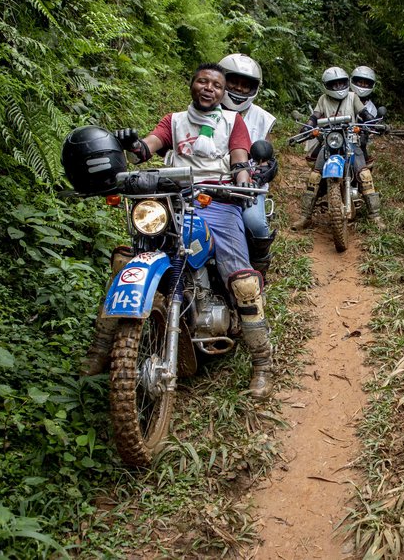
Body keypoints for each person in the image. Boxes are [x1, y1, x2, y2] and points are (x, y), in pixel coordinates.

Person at [82, 63, 274, 399]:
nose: (208, 88)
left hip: (219, 199)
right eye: (202, 81)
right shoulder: (174, 121)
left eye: (216, 84)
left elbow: (240, 159)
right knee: (125, 262)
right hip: (171, 199)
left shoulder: (233, 121)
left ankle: (262, 362)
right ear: (192, 84)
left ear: (222, 91)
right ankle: (100, 348)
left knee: (243, 282)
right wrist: (131, 143)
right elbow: (148, 148)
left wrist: (245, 182)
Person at [297, 66, 383, 227]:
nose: (338, 87)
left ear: (346, 82)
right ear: (326, 85)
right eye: (333, 84)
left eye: (341, 83)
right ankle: (305, 216)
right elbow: (314, 116)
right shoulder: (323, 99)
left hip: (351, 139)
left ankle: (375, 216)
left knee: (364, 175)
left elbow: (364, 113)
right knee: (314, 177)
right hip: (329, 140)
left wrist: (373, 122)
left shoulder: (352, 97)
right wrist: (308, 126)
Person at [220, 53, 278, 276]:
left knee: (255, 224)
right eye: (234, 81)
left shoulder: (262, 118)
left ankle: (258, 269)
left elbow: (267, 154)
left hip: (247, 186)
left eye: (246, 85)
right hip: (208, 180)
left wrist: (263, 172)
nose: (239, 89)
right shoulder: (205, 109)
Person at [351, 65, 384, 161]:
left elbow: (373, 125)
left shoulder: (371, 107)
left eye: (366, 83)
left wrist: (377, 126)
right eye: (360, 82)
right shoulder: (345, 99)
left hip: (359, 139)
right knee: (319, 151)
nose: (362, 85)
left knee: (366, 160)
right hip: (339, 135)